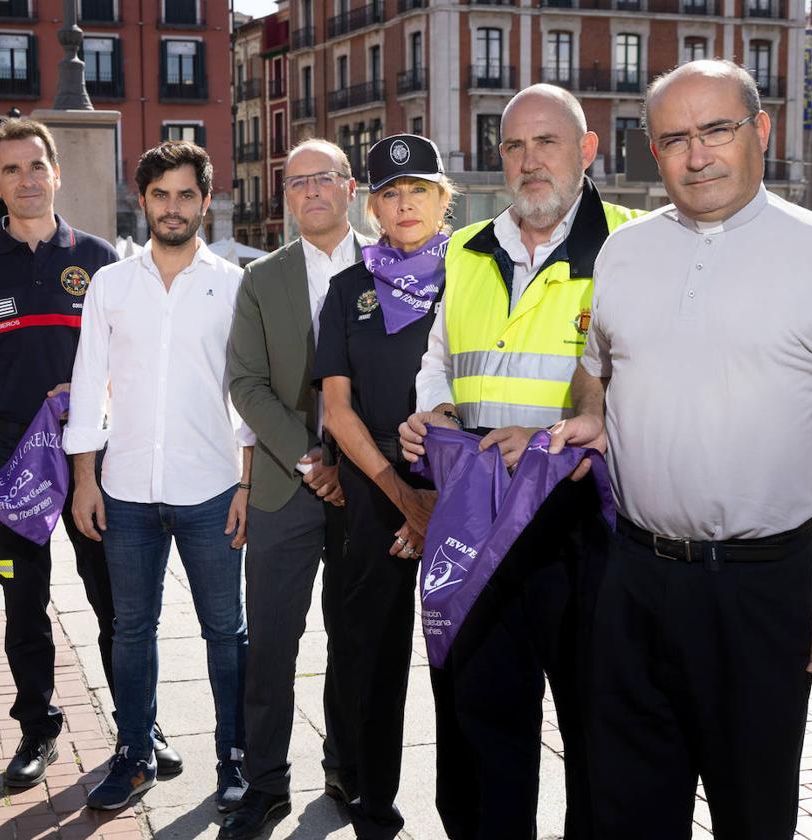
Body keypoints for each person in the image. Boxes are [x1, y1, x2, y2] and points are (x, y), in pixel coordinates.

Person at [549, 59, 812, 839]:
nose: (696, 154)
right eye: (673, 138)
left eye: (717, 130)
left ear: (762, 133)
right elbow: (595, 374)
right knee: (626, 811)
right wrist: (595, 417)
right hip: (633, 578)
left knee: (753, 812)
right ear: (652, 149)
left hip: (759, 591)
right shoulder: (623, 252)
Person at [397, 85, 643, 839]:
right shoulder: (466, 252)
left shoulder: (634, 245)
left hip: (585, 523)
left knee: (598, 728)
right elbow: (438, 356)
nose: (531, 162)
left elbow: (655, 376)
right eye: (514, 146)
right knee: (481, 728)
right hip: (483, 517)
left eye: (548, 142)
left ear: (588, 149)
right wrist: (435, 409)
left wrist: (553, 437)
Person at [0, 118, 180, 787]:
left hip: (93, 467)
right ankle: (38, 729)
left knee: (116, 607)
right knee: (23, 606)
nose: (26, 180)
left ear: (56, 172)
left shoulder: (100, 257)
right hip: (12, 471)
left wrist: (94, 389)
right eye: (11, 170)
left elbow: (132, 361)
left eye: (36, 166)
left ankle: (140, 722)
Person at [64, 141, 252, 812]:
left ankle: (235, 755)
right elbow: (88, 386)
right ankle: (134, 755)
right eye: (160, 195)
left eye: (185, 195)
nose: (173, 208)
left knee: (225, 631)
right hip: (128, 490)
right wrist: (84, 479)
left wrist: (248, 486)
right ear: (141, 201)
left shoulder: (233, 285)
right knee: (132, 628)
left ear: (205, 201)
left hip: (210, 490)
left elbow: (248, 393)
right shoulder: (111, 285)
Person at [221, 138, 369, 840]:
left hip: (370, 492)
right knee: (272, 645)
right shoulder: (263, 279)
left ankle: (347, 767)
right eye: (296, 182)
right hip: (288, 486)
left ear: (350, 187)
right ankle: (266, 782)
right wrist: (311, 460)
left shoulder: (390, 266)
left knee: (357, 639)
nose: (310, 191)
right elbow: (245, 384)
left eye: (323, 179)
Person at [314, 134, 454, 840]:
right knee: (371, 653)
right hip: (375, 500)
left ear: (442, 199)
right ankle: (372, 803)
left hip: (465, 496)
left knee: (467, 657)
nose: (405, 205)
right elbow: (337, 410)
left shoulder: (477, 276)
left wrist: (436, 498)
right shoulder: (348, 289)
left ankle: (473, 808)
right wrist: (405, 499)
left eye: (419, 191)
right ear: (373, 206)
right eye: (391, 194)